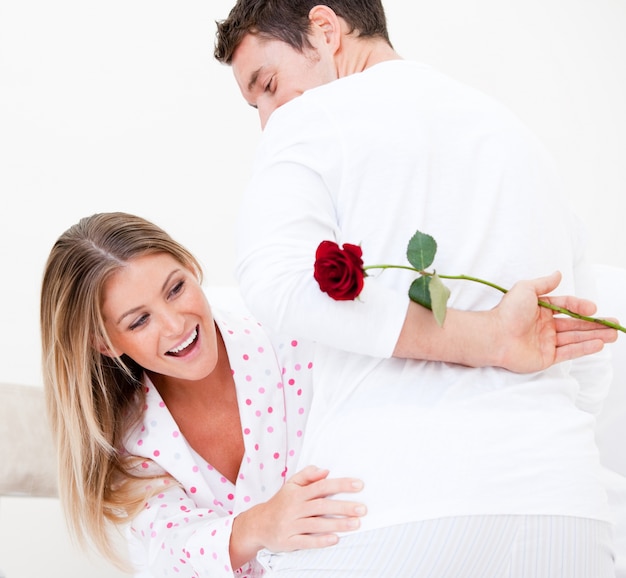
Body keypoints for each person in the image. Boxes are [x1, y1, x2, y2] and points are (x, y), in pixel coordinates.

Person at [214, 2, 619, 576]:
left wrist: (484, 339)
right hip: (566, 509)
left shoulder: (309, 121)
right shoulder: (516, 134)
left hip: (395, 512)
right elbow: (585, 346)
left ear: (325, 30)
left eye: (269, 84)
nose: (268, 115)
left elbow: (275, 280)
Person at [39, 211, 368, 578]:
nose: (176, 324)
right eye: (139, 321)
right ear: (105, 343)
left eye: (176, 288)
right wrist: (259, 525)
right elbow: (173, 547)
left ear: (191, 266)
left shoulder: (283, 330)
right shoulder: (128, 443)